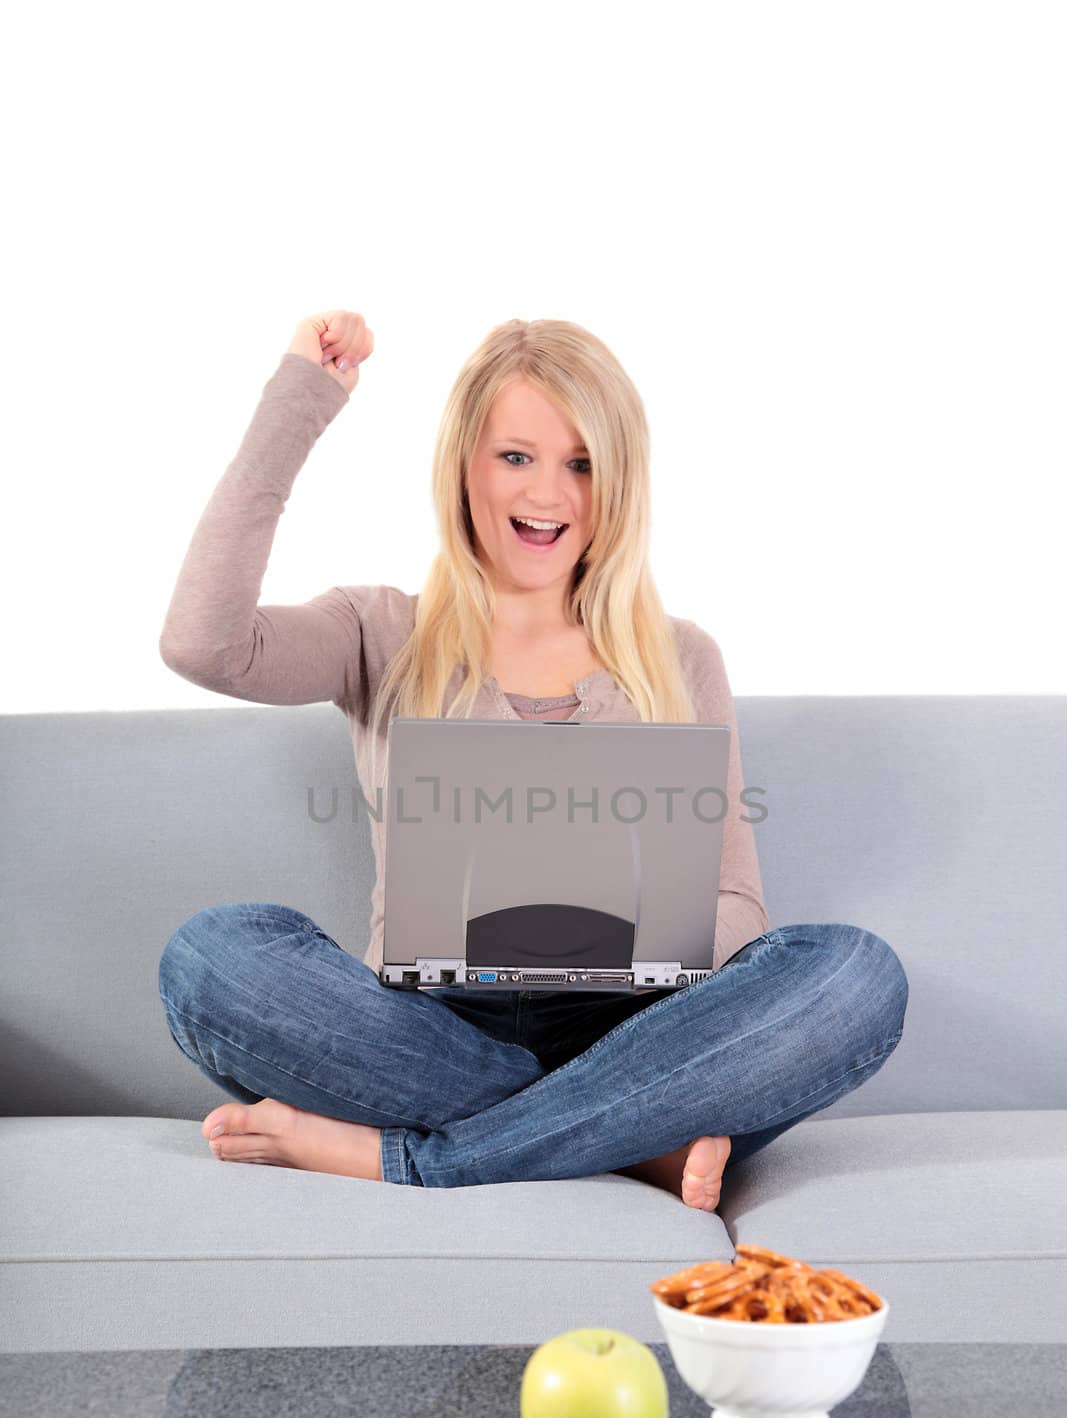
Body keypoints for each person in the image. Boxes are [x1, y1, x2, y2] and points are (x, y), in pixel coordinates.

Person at [157, 308, 909, 1208]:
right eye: (516, 456)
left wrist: (602, 939)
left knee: (854, 974)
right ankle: (627, 1145)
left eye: (581, 464)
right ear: (464, 464)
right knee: (211, 956)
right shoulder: (379, 630)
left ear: (618, 482)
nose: (549, 494)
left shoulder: (679, 656)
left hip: (648, 1032)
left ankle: (423, 1157)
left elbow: (739, 907)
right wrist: (299, 404)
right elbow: (203, 644)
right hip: (428, 1030)